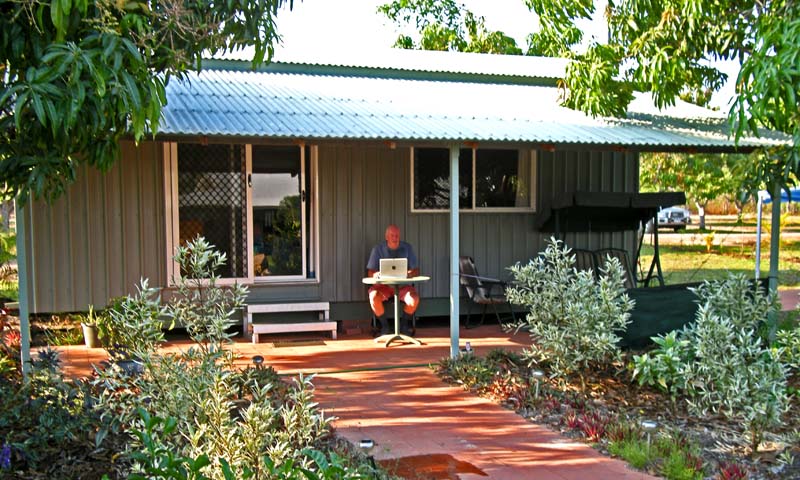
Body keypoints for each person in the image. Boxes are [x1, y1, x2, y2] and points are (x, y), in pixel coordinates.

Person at [366, 224, 420, 335]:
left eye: (397, 236)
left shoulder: (407, 248)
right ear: (386, 237)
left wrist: (410, 273)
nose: (395, 238)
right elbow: (370, 272)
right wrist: (377, 274)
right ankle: (385, 327)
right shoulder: (378, 249)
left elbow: (416, 270)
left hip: (402, 286)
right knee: (373, 297)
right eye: (392, 235)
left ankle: (404, 326)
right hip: (383, 286)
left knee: (414, 299)